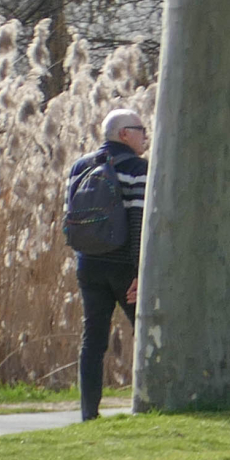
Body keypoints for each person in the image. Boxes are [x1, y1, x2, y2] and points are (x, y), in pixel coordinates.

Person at [68, 107, 148, 421]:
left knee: (93, 339)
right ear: (124, 134)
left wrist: (84, 258)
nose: (145, 135)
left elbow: (71, 218)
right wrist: (141, 272)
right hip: (125, 268)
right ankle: (153, 401)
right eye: (140, 129)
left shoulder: (80, 166)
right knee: (147, 331)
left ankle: (89, 412)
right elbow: (139, 220)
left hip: (88, 264)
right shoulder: (137, 167)